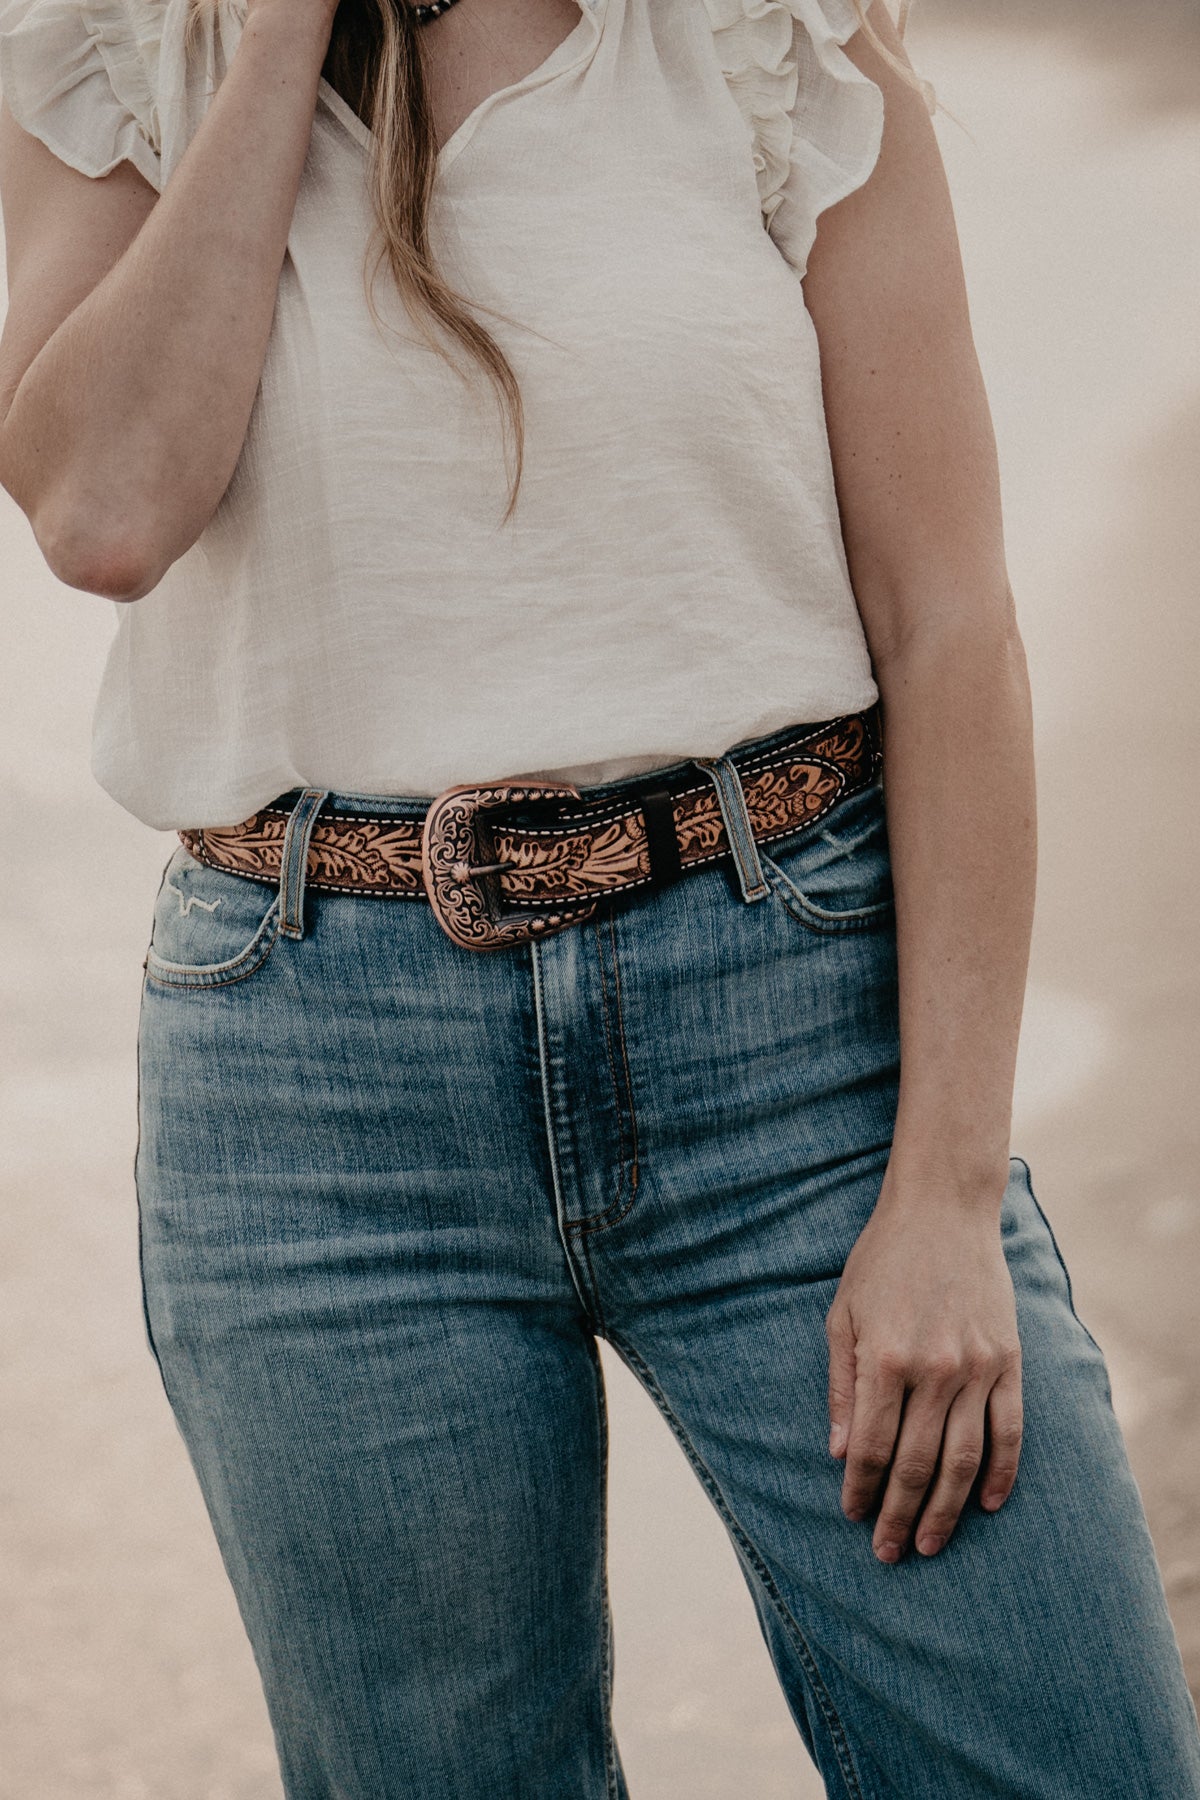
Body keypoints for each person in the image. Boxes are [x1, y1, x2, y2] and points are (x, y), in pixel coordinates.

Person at [1, 0, 1197, 1792]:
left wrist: (946, 1186)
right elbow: (103, 507)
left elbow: (950, 628)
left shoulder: (761, 43)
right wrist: (271, 53)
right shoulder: (121, 54)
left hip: (792, 1042)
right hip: (317, 1090)